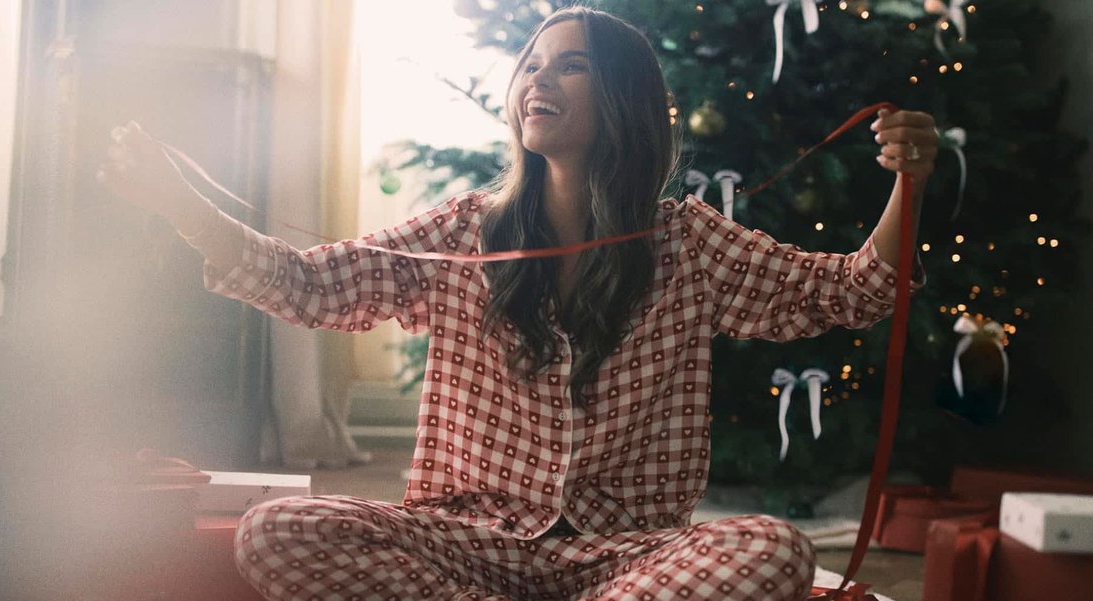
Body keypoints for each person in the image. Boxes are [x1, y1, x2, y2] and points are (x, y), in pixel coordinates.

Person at [98, 7, 934, 601]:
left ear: (625, 97)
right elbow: (310, 282)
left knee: (773, 551)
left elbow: (855, 288)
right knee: (276, 529)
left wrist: (911, 183)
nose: (540, 75)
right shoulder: (467, 228)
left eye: (571, 63)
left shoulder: (689, 243)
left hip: (623, 558)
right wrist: (182, 207)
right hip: (467, 544)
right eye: (532, 63)